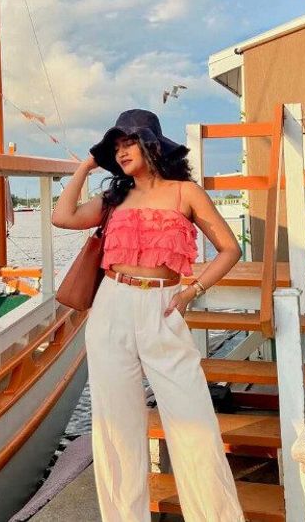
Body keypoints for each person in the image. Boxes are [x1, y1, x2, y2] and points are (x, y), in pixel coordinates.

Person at [52, 108, 246, 522]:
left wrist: (193, 290)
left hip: (164, 306)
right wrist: (88, 163)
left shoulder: (185, 193)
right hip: (112, 308)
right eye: (115, 147)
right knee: (116, 428)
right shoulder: (114, 198)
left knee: (193, 423)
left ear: (152, 144)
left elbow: (230, 248)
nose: (121, 153)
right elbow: (62, 216)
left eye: (128, 143)